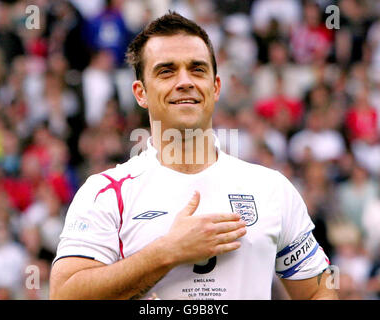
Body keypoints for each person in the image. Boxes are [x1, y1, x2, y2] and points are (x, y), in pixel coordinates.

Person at [49, 12, 338, 300]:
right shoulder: (106, 193)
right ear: (141, 93)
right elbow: (64, 294)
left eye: (197, 69)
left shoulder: (271, 189)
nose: (185, 81)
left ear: (215, 87)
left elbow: (318, 291)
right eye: (166, 71)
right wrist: (167, 252)